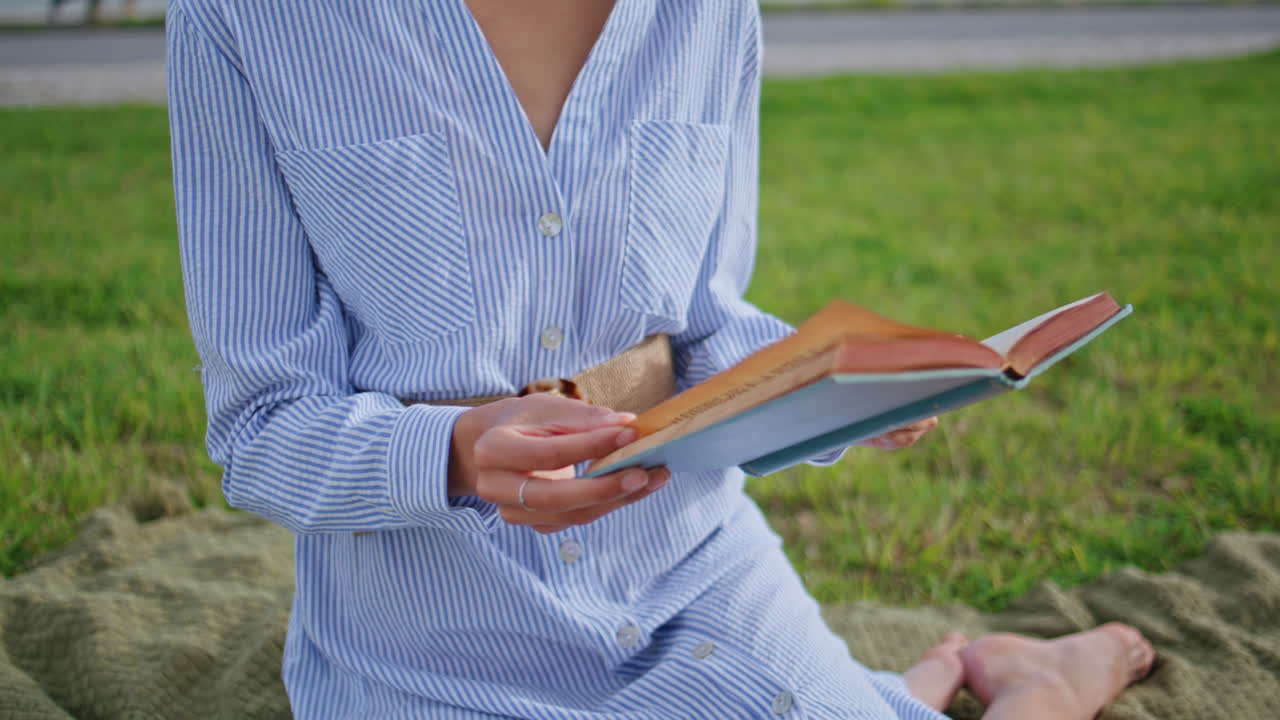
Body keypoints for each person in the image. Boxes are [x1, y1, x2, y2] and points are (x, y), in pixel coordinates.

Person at [168, 1, 1153, 717]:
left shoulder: (707, 11)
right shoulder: (243, 19)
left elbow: (702, 325)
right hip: (435, 649)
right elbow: (263, 429)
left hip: (693, 580)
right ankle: (940, 687)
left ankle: (988, 685)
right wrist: (458, 451)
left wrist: (846, 387)